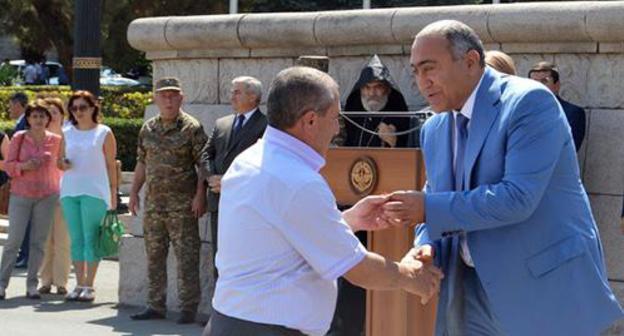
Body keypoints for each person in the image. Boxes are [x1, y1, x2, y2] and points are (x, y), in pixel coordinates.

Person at [382, 20, 623, 335]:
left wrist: (426, 208)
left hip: (542, 292)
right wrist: (424, 247)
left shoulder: (529, 103)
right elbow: (436, 198)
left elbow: (517, 198)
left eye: (429, 68)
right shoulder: (434, 129)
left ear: (470, 62)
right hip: (467, 294)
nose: (421, 82)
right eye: (415, 72)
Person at [204, 66, 443, 336]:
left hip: (234, 322)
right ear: (309, 121)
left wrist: (348, 220)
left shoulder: (252, 159)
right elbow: (357, 268)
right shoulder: (297, 180)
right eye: (335, 118)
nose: (336, 128)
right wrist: (410, 275)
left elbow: (281, 239)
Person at [330, 54, 412, 336]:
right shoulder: (348, 116)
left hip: (383, 216)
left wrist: (393, 144)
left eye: (379, 89)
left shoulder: (402, 118)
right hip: (348, 208)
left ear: (388, 92)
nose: (373, 94)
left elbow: (410, 167)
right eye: (368, 89)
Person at [129, 77, 207, 324]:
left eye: (173, 95)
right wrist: (133, 192)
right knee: (154, 256)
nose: (169, 100)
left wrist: (199, 195)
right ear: (155, 99)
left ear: (181, 98)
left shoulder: (191, 128)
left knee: (186, 259)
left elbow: (203, 165)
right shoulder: (148, 128)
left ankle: (188, 308)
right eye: (164, 95)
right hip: (154, 205)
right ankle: (155, 305)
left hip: (183, 206)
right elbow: (142, 161)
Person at [200, 76, 267, 280]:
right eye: (232, 91)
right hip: (219, 202)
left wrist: (229, 182)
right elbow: (205, 154)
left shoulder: (266, 125)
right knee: (219, 260)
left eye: (237, 92)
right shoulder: (222, 124)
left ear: (253, 96)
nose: (232, 96)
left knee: (244, 260)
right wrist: (212, 177)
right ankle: (219, 308)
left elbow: (264, 164)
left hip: (247, 204)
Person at [58, 90, 117, 302]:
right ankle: (79, 283)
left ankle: (89, 285)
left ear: (93, 108)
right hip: (69, 190)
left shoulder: (104, 132)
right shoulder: (67, 131)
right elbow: (58, 161)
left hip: (95, 191)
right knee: (76, 239)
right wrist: (62, 164)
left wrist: (113, 193)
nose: (78, 112)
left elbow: (112, 165)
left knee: (91, 239)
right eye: (74, 108)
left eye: (82, 107)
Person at [0, 100, 62, 300]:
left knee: (38, 242)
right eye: (34, 116)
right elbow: (7, 166)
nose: (38, 119)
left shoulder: (56, 140)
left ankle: (32, 285)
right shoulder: (19, 137)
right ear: (28, 119)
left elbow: (61, 165)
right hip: (21, 194)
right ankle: (1, 284)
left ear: (48, 119)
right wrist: (24, 166)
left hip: (48, 195)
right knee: (13, 241)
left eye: (42, 116)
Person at [37, 97, 71, 295]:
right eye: (47, 114)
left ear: (62, 115)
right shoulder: (41, 138)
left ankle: (61, 282)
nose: (51, 117)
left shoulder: (69, 136)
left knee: (62, 240)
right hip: (43, 193)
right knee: (44, 241)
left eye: (55, 113)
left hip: (65, 192)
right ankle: (45, 280)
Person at [344, 54, 410, 148]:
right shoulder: (353, 106)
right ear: (361, 90)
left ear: (387, 89)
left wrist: (393, 140)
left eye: (378, 87)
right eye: (367, 87)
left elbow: (407, 147)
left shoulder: (397, 107)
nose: (372, 93)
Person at [528, 61, 586, 151]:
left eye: (544, 81)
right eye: (534, 82)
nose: (538, 86)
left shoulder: (573, 113)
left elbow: (569, 148)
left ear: (557, 85)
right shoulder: (522, 112)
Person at [9, 92, 30, 268]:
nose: (9, 109)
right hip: (20, 177)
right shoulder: (20, 123)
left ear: (20, 105)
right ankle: (24, 254)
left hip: (26, 178)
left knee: (26, 220)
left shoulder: (25, 123)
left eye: (11, 105)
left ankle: (26, 255)